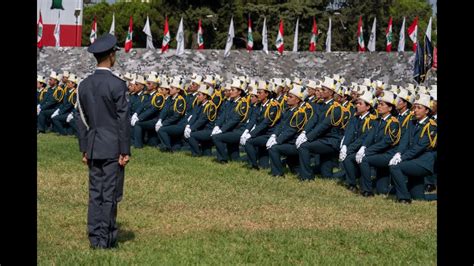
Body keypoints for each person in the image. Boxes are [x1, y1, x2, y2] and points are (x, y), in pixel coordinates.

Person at [76, 33, 131, 249]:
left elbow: (80, 120)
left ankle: (94, 236)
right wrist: (124, 150)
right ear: (111, 55)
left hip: (93, 146)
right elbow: (123, 121)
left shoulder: (84, 85)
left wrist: (84, 148)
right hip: (112, 147)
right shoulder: (118, 85)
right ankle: (105, 239)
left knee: (94, 193)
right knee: (109, 193)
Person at [389, 93, 437, 203]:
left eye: (419, 108)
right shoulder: (412, 122)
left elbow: (419, 148)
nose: (415, 110)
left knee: (395, 167)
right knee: (419, 197)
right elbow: (405, 140)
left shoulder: (431, 126)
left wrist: (402, 158)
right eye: (414, 107)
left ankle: (404, 198)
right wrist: (398, 153)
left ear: (427, 111)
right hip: (414, 160)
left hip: (423, 162)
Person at [354, 90, 401, 197]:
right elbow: (370, 136)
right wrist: (363, 146)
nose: (378, 107)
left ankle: (367, 190)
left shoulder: (393, 123)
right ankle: (367, 185)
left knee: (364, 159)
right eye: (378, 104)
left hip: (388, 154)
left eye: (382, 105)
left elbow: (385, 142)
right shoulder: (377, 121)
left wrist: (367, 151)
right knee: (382, 190)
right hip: (378, 153)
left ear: (390, 108)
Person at [267, 84, 311, 177]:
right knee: (295, 168)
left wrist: (277, 141)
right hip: (287, 141)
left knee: (274, 148)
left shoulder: (300, 113)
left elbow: (292, 130)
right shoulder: (287, 110)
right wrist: (274, 135)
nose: (287, 98)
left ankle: (278, 174)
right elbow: (280, 125)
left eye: (290, 97)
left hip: (293, 143)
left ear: (298, 100)